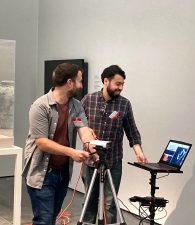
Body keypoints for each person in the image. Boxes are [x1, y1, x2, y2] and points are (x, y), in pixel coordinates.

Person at [22, 63, 95, 225]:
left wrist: (90, 146)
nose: (81, 85)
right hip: (42, 173)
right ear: (70, 83)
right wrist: (72, 152)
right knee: (44, 220)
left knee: (51, 219)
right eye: (79, 81)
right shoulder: (40, 106)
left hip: (62, 174)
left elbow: (82, 128)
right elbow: (42, 142)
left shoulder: (76, 106)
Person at [81, 65, 147, 224]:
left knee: (110, 204)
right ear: (105, 81)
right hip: (91, 162)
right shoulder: (89, 100)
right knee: (89, 202)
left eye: (122, 84)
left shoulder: (124, 104)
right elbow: (78, 123)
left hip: (113, 162)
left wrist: (138, 151)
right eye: (117, 84)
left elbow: (132, 130)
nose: (120, 88)